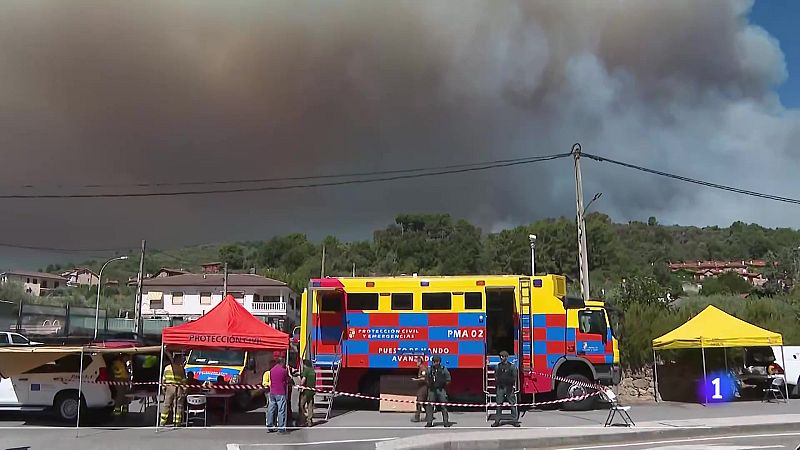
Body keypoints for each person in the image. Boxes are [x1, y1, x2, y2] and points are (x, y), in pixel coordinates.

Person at [493, 350, 520, 427]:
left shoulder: (511, 366)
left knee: (513, 404)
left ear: (507, 357)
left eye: (504, 356)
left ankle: (515, 421)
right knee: (498, 405)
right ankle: (497, 421)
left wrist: (510, 384)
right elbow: (496, 376)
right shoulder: (498, 366)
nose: (502, 358)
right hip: (500, 388)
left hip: (509, 388)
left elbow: (514, 377)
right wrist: (498, 383)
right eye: (501, 356)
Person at [424, 355, 451, 428]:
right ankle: (429, 422)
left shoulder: (443, 369)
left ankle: (446, 422)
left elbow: (448, 379)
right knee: (430, 406)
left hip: (440, 389)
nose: (435, 363)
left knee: (444, 405)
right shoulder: (430, 369)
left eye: (437, 361)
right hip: (432, 389)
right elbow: (426, 378)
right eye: (434, 361)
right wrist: (429, 384)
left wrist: (443, 384)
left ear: (439, 362)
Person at [159, 354, 186, 427]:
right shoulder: (181, 368)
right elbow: (183, 380)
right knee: (178, 405)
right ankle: (177, 422)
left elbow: (163, 379)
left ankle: (163, 421)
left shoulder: (167, 368)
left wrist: (163, 388)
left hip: (169, 387)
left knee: (166, 404)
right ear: (178, 360)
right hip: (178, 388)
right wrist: (185, 390)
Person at [266, 358, 289, 434]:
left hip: (272, 392)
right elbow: (286, 381)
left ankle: (270, 425)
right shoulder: (284, 371)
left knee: (271, 409)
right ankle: (281, 428)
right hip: (281, 392)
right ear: (282, 363)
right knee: (281, 410)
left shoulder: (272, 370)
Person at [298, 359, 316, 427]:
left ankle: (303, 420)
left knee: (301, 405)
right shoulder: (313, 371)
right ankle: (310, 421)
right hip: (312, 391)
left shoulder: (306, 370)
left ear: (305, 364)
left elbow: (303, 380)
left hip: (306, 391)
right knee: (310, 406)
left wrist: (300, 386)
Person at [411, 358, 428, 423]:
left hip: (423, 387)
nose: (416, 363)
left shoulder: (423, 369)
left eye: (416, 362)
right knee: (424, 403)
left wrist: (416, 380)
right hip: (422, 387)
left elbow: (424, 378)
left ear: (419, 362)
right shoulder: (421, 368)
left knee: (419, 402)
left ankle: (417, 417)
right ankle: (428, 416)